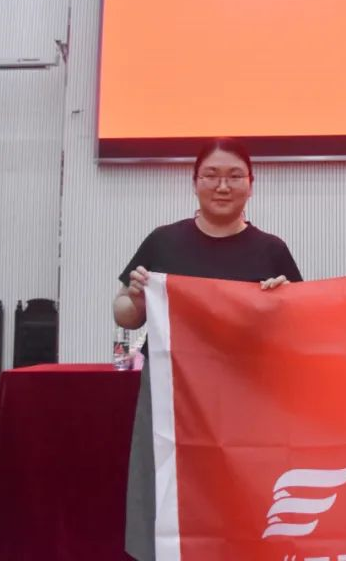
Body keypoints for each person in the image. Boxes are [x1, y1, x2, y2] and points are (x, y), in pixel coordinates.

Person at [114, 137, 301, 561]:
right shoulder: (163, 242)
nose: (222, 186)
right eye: (211, 175)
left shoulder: (271, 249)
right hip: (173, 398)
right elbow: (124, 312)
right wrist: (137, 298)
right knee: (167, 488)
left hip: (247, 398)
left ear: (251, 184)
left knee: (243, 492)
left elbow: (296, 326)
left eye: (234, 176)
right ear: (194, 182)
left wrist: (284, 300)